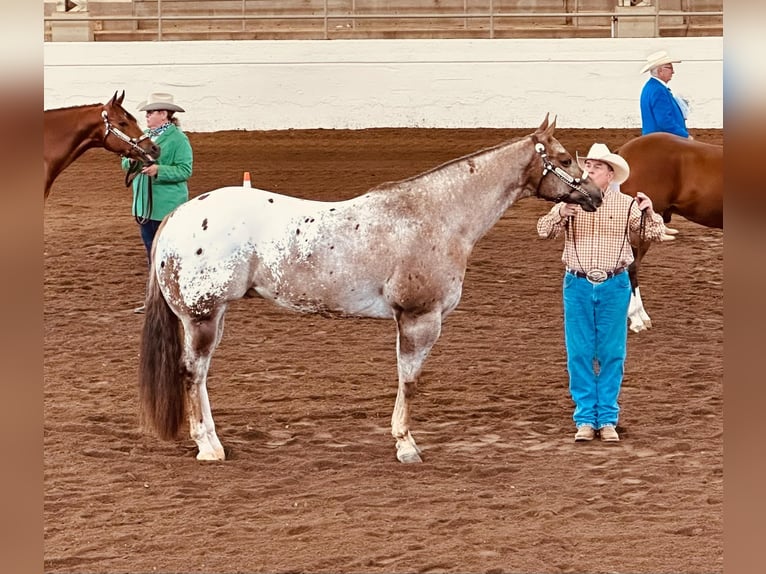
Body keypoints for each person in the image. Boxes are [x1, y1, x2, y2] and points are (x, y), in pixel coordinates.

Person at [536, 143, 668, 442]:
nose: (589, 170)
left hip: (614, 283)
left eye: (596, 167)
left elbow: (654, 234)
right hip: (578, 283)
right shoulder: (569, 201)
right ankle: (585, 417)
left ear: (610, 174)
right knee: (580, 352)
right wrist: (560, 211)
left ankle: (606, 417)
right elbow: (544, 231)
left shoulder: (627, 205)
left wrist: (650, 211)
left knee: (612, 353)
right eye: (588, 165)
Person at [121, 92, 193, 313]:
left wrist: (158, 170)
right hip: (145, 207)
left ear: (164, 115)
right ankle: (155, 301)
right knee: (152, 256)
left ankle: (170, 300)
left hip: (166, 208)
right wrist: (131, 160)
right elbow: (125, 163)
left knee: (165, 256)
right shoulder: (144, 137)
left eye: (150, 113)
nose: (147, 116)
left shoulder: (178, 139)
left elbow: (185, 170)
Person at [639, 50, 691, 138]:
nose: (673, 71)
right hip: (663, 141)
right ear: (660, 71)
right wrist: (684, 135)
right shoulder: (658, 90)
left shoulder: (651, 87)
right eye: (670, 68)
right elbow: (664, 121)